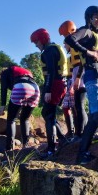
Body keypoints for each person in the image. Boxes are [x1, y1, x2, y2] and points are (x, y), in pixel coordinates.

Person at [65, 6, 98, 165]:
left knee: (96, 113)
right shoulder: (86, 31)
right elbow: (70, 39)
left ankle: (87, 148)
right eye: (96, 17)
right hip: (94, 75)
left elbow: (83, 60)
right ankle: (82, 154)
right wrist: (89, 53)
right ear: (89, 18)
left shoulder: (96, 35)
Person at [30, 28, 69, 158]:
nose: (36, 45)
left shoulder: (49, 51)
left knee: (48, 114)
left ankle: (51, 149)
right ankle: (62, 139)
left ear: (42, 40)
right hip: (60, 82)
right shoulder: (53, 48)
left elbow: (51, 71)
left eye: (36, 42)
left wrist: (47, 91)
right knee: (47, 113)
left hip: (55, 84)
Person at [0, 65, 41, 150]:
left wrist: (2, 106)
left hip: (21, 87)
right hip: (35, 89)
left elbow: (4, 89)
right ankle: (26, 145)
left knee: (11, 119)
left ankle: (9, 148)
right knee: (25, 119)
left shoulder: (4, 73)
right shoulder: (23, 71)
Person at [59, 20, 82, 138]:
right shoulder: (69, 57)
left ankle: (76, 131)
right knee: (69, 106)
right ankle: (72, 131)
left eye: (65, 43)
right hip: (69, 81)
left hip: (73, 81)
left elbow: (78, 67)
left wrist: (74, 82)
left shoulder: (77, 50)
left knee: (75, 107)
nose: (64, 45)